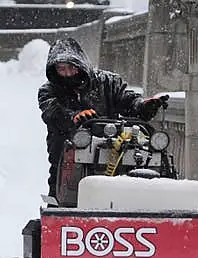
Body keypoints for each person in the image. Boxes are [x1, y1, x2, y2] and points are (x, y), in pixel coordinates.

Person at [38, 37, 169, 198]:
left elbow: (128, 102)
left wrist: (143, 106)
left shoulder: (108, 82)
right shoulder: (48, 90)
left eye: (72, 67)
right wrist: (73, 117)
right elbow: (52, 112)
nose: (67, 74)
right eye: (62, 69)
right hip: (66, 150)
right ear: (54, 70)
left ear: (81, 64)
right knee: (63, 187)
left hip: (112, 146)